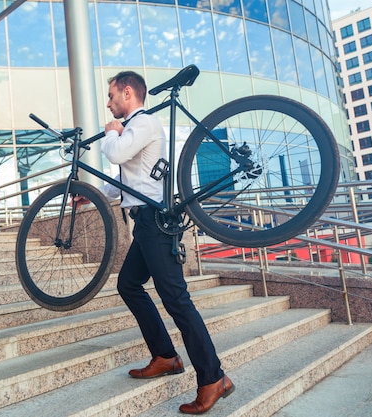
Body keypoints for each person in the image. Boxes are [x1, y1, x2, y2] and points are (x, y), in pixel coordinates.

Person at [100, 71, 234, 414]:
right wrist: (96, 196)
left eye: (112, 96)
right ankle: (164, 355)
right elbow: (129, 178)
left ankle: (213, 377)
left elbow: (115, 155)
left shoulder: (141, 123)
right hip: (145, 223)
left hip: (155, 223)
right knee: (129, 284)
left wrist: (109, 134)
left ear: (127, 92)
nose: (109, 102)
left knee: (176, 300)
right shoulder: (136, 130)